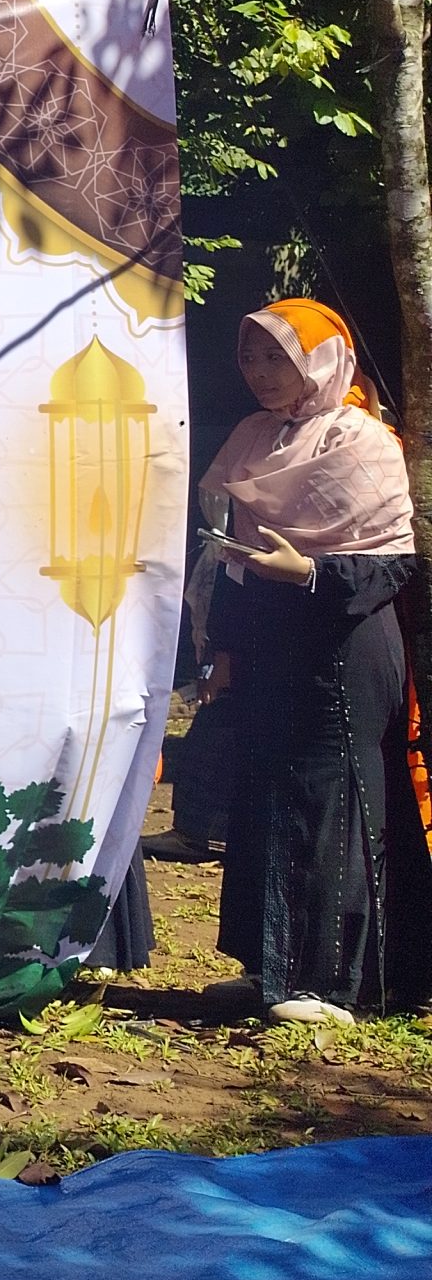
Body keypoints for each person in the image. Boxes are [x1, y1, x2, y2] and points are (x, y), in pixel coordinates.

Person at [202, 299, 420, 1024]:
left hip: (340, 645)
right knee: (264, 795)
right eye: (250, 356)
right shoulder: (253, 435)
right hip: (268, 642)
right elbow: (230, 555)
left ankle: (333, 982)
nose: (260, 372)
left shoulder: (362, 440)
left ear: (322, 360)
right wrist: (224, 648)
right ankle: (271, 968)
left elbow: (392, 561)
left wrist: (309, 573)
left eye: (278, 357)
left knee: (332, 801)